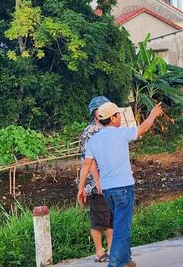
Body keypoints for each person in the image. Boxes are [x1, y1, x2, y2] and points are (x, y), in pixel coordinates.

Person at [78, 102, 164, 267]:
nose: (120, 118)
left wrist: (81, 188)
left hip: (107, 191)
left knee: (121, 224)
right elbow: (144, 128)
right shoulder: (121, 133)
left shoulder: (94, 140)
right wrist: (153, 114)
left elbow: (86, 165)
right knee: (122, 228)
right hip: (123, 188)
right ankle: (115, 264)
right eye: (118, 115)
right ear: (112, 118)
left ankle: (125, 260)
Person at [79, 96, 114, 263]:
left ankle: (112, 250)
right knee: (99, 218)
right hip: (96, 183)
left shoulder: (108, 128)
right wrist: (98, 180)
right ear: (96, 113)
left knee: (111, 218)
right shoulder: (90, 131)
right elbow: (89, 160)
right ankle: (100, 252)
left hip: (110, 180)